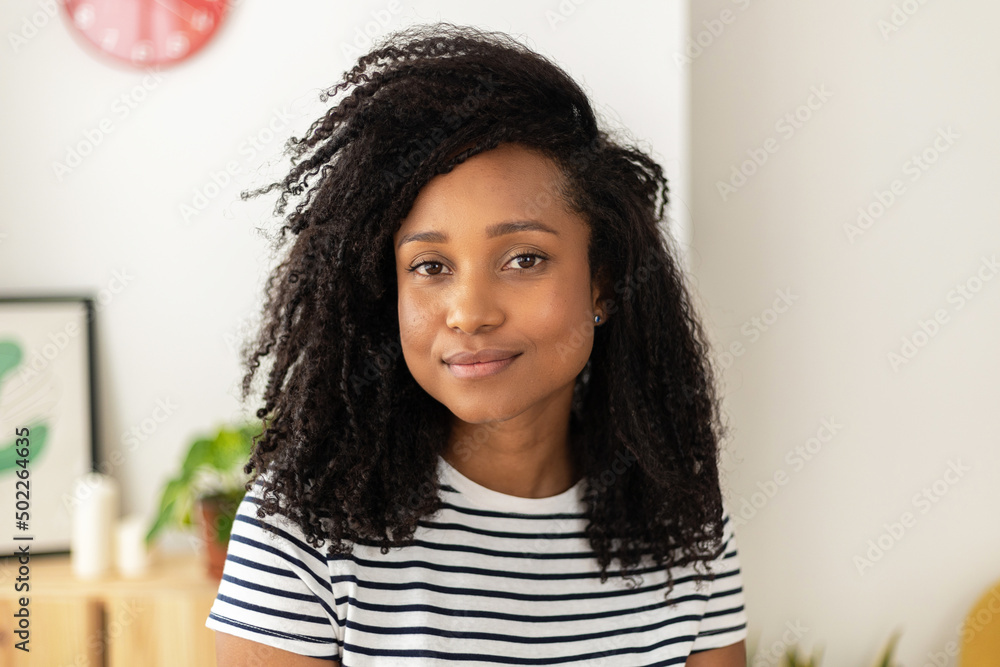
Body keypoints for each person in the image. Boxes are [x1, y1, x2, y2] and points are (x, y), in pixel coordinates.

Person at [207, 22, 748, 667]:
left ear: (601, 284)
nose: (469, 314)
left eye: (523, 258)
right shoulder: (304, 528)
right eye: (430, 267)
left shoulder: (679, 519)